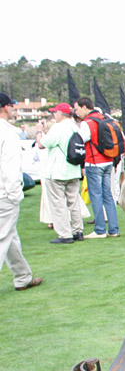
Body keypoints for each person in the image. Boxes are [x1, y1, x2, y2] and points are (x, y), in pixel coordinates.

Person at [0, 92, 42, 291]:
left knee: (9, 235)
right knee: (2, 238)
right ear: (6, 107)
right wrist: (14, 194)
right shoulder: (7, 133)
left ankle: (22, 276)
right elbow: (10, 166)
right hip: (4, 194)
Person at [73, 96, 119, 239]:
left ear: (84, 107)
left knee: (96, 196)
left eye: (77, 109)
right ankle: (113, 229)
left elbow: (81, 139)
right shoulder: (104, 118)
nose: (76, 112)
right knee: (108, 195)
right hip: (108, 161)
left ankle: (99, 229)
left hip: (94, 162)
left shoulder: (87, 123)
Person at [39, 102, 84, 243]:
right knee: (74, 201)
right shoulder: (75, 127)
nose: (54, 115)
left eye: (55, 112)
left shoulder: (58, 128)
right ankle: (78, 230)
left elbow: (42, 144)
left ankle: (65, 234)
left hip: (57, 171)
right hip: (73, 169)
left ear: (60, 114)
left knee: (58, 204)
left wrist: (39, 132)